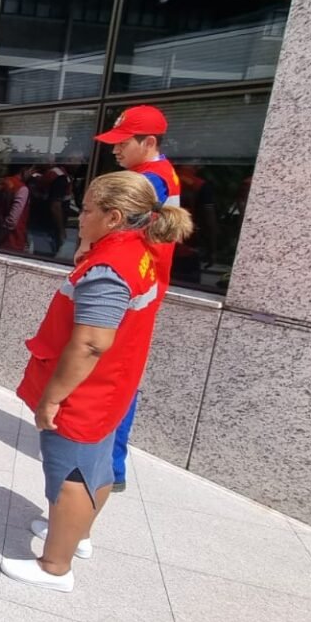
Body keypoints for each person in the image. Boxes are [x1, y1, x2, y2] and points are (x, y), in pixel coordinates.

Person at [0, 170, 193, 592]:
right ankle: (76, 535)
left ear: (114, 216)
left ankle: (54, 565)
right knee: (97, 468)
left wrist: (51, 399)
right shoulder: (140, 250)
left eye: (86, 210)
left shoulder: (110, 267)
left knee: (69, 475)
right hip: (113, 386)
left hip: (86, 391)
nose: (78, 216)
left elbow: (89, 343)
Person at [89, 104, 182, 492]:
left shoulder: (150, 181)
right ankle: (108, 462)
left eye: (121, 144)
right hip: (142, 283)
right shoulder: (155, 174)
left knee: (115, 372)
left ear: (148, 142)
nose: (115, 151)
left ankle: (109, 467)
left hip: (134, 287)